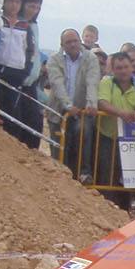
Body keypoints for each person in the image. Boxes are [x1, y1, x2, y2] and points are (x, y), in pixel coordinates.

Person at [96, 50, 135, 209]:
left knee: (131, 177)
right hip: (108, 136)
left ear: (131, 67)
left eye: (126, 67)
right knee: (108, 176)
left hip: (132, 140)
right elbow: (102, 102)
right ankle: (107, 209)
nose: (123, 71)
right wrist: (120, 113)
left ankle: (127, 210)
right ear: (113, 70)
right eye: (119, 68)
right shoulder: (106, 83)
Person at [45, 28, 100, 179]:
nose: (73, 45)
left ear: (80, 41)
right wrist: (68, 105)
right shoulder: (54, 59)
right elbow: (57, 84)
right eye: (68, 42)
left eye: (75, 41)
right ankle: (58, 178)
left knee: (83, 133)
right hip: (58, 109)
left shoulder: (90, 58)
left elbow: (92, 82)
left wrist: (91, 104)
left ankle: (83, 173)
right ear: (62, 44)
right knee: (58, 146)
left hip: (81, 109)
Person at [0, 0, 32, 141]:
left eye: (17, 2)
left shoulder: (25, 26)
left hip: (16, 71)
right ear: (4, 2)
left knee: (12, 110)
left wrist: (25, 71)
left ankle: (12, 141)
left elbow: (30, 51)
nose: (13, 5)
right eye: (10, 1)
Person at [15, 0, 44, 148]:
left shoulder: (34, 25)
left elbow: (36, 52)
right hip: (19, 79)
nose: (34, 10)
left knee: (35, 124)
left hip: (32, 81)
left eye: (37, 7)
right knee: (17, 122)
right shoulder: (17, 23)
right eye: (31, 6)